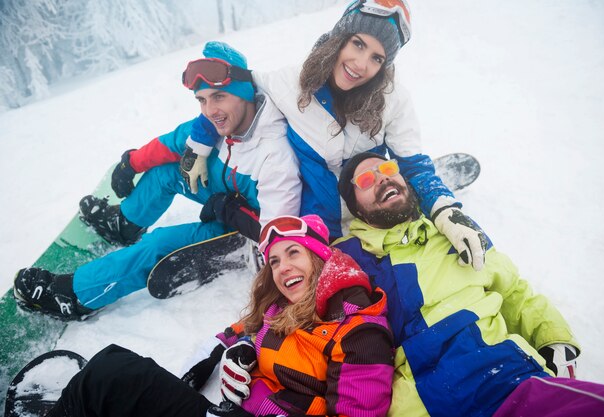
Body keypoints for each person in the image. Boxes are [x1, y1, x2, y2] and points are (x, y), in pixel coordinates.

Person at [186, 0, 488, 273]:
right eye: (357, 44)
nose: (361, 64)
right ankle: (238, 214)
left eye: (377, 58)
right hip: (315, 219)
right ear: (339, 40)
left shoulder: (391, 99)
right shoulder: (290, 83)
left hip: (369, 210)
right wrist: (198, 145)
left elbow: (413, 164)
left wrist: (445, 210)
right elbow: (230, 94)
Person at [13, 41, 301, 320]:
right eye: (202, 100)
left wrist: (229, 210)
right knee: (169, 172)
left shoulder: (275, 157)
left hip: (247, 232)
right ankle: (126, 223)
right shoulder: (222, 121)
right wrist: (132, 163)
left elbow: (277, 236)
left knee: (158, 244)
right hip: (227, 197)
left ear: (243, 93)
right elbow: (174, 142)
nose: (209, 110)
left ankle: (76, 296)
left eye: (218, 97)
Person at [332, 152, 604, 417]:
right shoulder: (347, 257)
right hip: (421, 401)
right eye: (367, 179)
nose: (382, 177)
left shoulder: (455, 233)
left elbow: (513, 290)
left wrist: (553, 337)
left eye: (387, 167)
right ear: (355, 209)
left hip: (506, 376)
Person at [42, 215, 394, 417]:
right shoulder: (281, 309)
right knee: (115, 370)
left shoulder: (358, 332)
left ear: (320, 258)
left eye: (293, 253)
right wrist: (238, 349)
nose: (283, 267)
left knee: (111, 374)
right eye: (274, 261)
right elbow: (237, 332)